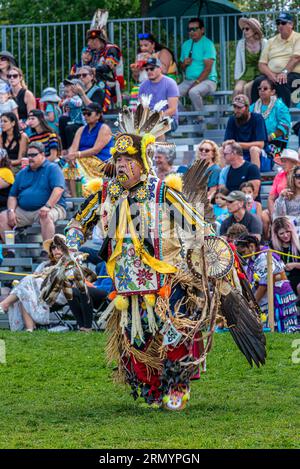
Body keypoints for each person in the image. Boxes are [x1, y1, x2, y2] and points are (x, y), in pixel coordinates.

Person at [63, 99, 266, 410]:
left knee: (174, 332)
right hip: (127, 282)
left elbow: (196, 226)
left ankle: (177, 385)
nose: (121, 165)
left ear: (141, 161)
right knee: (136, 338)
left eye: (128, 160)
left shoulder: (162, 192)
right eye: (118, 159)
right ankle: (153, 388)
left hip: (166, 277)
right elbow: (80, 222)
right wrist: (73, 243)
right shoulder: (106, 193)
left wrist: (212, 257)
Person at [0, 142, 66, 243]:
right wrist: (11, 211)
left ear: (43, 154)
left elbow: (58, 189)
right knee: (3, 216)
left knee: (45, 215)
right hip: (24, 211)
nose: (30, 158)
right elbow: (12, 196)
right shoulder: (22, 173)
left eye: (34, 155)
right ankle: (11, 250)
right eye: (28, 155)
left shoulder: (52, 168)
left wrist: (48, 206)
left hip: (53, 206)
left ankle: (48, 250)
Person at [0, 235, 68, 331]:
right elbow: (33, 280)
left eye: (60, 247)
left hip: (58, 294)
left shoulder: (69, 264)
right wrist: (38, 275)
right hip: (40, 294)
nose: (56, 250)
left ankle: (4, 304)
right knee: (24, 292)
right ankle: (30, 329)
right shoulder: (44, 264)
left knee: (28, 282)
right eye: (53, 247)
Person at [235, 233, 300, 333]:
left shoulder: (264, 257)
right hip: (271, 293)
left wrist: (253, 303)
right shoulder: (256, 257)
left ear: (252, 246)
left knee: (280, 327)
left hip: (278, 295)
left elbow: (263, 285)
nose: (244, 256)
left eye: (243, 252)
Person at [251, 12, 300, 108]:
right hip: (273, 75)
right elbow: (262, 64)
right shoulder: (271, 41)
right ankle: (257, 116)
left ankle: (283, 116)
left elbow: (296, 58)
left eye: (283, 23)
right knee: (257, 83)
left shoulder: (298, 37)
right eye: (278, 23)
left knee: (281, 81)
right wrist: (272, 75)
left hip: (293, 74)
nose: (280, 25)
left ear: (291, 24)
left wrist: (284, 72)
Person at [63, 103, 113, 196]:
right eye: (84, 113)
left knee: (75, 163)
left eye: (89, 113)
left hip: (101, 162)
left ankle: (79, 197)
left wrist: (76, 155)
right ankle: (75, 200)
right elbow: (73, 147)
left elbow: (96, 150)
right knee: (71, 164)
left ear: (98, 115)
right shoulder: (81, 129)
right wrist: (71, 156)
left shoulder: (104, 128)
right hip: (82, 159)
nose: (85, 116)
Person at [179, 17, 217, 113]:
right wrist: (184, 64)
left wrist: (195, 83)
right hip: (188, 81)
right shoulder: (186, 45)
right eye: (190, 29)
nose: (192, 32)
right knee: (170, 94)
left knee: (193, 92)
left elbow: (208, 69)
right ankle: (184, 117)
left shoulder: (208, 44)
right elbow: (182, 68)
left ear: (202, 30)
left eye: (195, 29)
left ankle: (201, 120)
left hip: (208, 81)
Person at [262, 149, 300, 239]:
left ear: (293, 163)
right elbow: (271, 198)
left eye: (284, 161)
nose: (282, 164)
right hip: (280, 206)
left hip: (294, 209)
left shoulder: (298, 174)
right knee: (264, 215)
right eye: (281, 161)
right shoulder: (279, 175)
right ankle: (268, 241)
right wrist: (274, 217)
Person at [224, 94, 268, 169]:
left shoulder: (257, 118)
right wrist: (226, 144)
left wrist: (237, 144)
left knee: (253, 149)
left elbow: (261, 144)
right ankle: (224, 178)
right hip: (238, 153)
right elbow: (226, 142)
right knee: (222, 150)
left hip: (259, 156)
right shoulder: (232, 119)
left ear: (247, 107)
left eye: (239, 107)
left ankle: (255, 177)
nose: (236, 110)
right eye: (235, 107)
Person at [250, 78, 291, 153]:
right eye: (260, 88)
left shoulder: (280, 106)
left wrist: (270, 137)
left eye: (265, 88)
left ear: (272, 92)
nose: (262, 90)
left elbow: (284, 126)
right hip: (256, 141)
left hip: (276, 141)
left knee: (265, 154)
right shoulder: (252, 107)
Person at [139, 57, 179, 131]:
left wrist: (155, 118)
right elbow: (142, 108)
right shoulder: (143, 86)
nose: (149, 71)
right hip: (148, 120)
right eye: (147, 69)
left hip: (169, 119)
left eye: (152, 69)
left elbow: (172, 109)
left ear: (160, 68)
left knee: (156, 126)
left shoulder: (170, 83)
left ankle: (158, 142)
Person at [234, 18, 267, 99]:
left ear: (254, 30)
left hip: (260, 74)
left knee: (247, 88)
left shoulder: (264, 42)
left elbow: (268, 62)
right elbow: (238, 63)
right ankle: (238, 111)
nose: (244, 31)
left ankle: (250, 111)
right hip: (245, 74)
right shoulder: (241, 43)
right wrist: (237, 80)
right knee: (237, 90)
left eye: (247, 29)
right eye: (243, 29)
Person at [271, 216, 300, 297]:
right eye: (282, 233)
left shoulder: (298, 243)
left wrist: (294, 265)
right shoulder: (272, 246)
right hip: (282, 278)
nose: (286, 235)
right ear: (276, 235)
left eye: (288, 232)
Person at [273, 165, 300, 236]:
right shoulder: (286, 194)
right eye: (298, 176)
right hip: (287, 229)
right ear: (293, 178)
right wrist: (281, 197)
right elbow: (278, 215)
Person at [58, 78, 85, 150]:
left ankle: (71, 149)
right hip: (71, 117)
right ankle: (64, 148)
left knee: (69, 128)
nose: (66, 94)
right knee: (62, 119)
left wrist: (71, 100)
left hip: (78, 120)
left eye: (67, 92)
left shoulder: (76, 98)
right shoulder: (68, 98)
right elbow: (62, 104)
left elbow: (79, 104)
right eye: (65, 92)